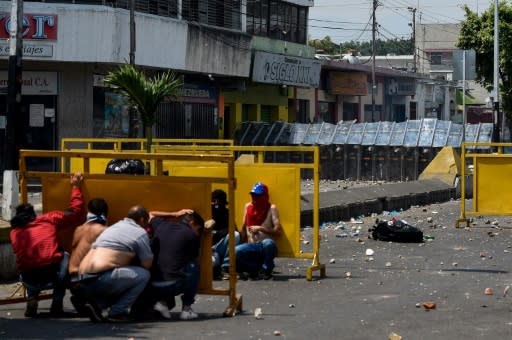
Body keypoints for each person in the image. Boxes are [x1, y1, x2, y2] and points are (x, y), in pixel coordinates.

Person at [10, 172, 85, 317]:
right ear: (33, 214)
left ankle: (32, 297)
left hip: (28, 278)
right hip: (53, 275)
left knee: (28, 260)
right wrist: (75, 187)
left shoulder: (14, 232)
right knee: (65, 257)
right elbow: (75, 211)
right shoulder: (48, 219)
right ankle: (57, 302)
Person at [78, 205, 153, 323]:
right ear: (143, 219)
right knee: (143, 275)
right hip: (101, 279)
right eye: (147, 222)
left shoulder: (113, 227)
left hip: (82, 279)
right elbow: (147, 264)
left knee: (121, 274)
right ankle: (117, 312)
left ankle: (97, 305)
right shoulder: (140, 232)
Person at [144, 211, 204, 320]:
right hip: (173, 286)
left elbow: (150, 214)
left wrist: (175, 213)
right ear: (192, 223)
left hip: (153, 285)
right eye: (198, 229)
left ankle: (162, 302)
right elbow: (193, 258)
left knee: (167, 265)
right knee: (193, 266)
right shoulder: (191, 236)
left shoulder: (161, 225)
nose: (198, 233)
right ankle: (187, 309)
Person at [67, 198, 109, 315]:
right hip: (87, 278)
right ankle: (99, 303)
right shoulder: (103, 231)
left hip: (72, 278)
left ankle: (84, 299)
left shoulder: (78, 229)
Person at [234, 182, 282, 280]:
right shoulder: (247, 206)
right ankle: (253, 269)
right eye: (253, 195)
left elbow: (278, 232)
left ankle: (266, 270)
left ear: (264, 196)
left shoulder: (271, 208)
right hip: (251, 246)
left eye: (257, 195)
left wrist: (261, 229)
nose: (254, 197)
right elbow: (243, 228)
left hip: (263, 246)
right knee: (236, 250)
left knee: (269, 243)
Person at [210, 189, 239, 279]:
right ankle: (217, 270)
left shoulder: (226, 212)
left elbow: (233, 228)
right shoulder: (206, 211)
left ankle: (226, 267)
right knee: (211, 263)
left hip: (220, 245)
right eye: (214, 200)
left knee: (235, 235)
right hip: (208, 249)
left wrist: (217, 233)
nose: (216, 203)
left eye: (218, 200)